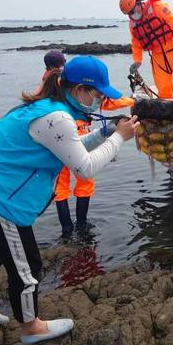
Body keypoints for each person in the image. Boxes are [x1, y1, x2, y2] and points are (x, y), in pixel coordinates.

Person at [0, 55, 140, 345]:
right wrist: (119, 139)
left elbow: (69, 149)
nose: (100, 101)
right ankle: (31, 328)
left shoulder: (44, 108)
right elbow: (84, 167)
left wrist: (105, 132)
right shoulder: (57, 118)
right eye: (98, 95)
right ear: (80, 91)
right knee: (27, 267)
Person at [53, 96, 133, 238]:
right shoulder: (79, 90)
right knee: (84, 181)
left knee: (60, 187)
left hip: (59, 138)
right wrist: (132, 101)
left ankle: (67, 230)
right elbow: (108, 102)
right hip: (76, 134)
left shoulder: (54, 92)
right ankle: (81, 225)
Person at [119, 0, 173, 99]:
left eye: (133, 11)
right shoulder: (133, 24)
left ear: (138, 3)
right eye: (129, 13)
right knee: (163, 89)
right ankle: (167, 111)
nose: (133, 14)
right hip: (157, 57)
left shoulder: (158, 7)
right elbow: (136, 43)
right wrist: (137, 60)